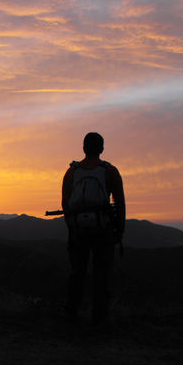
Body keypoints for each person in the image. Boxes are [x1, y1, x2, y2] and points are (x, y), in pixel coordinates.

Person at [61, 132, 125, 327]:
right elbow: (120, 203)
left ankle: (72, 315)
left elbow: (65, 203)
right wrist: (119, 230)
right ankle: (99, 319)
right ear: (102, 149)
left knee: (77, 272)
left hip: (78, 229)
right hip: (102, 229)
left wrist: (72, 227)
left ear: (83, 148)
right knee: (101, 273)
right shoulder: (110, 171)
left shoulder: (71, 172)